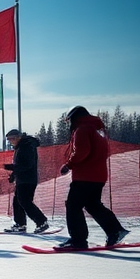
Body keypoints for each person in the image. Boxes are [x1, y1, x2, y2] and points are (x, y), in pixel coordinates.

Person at [55, 106, 129, 250]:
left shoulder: (82, 129)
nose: (69, 124)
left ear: (75, 118)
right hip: (98, 176)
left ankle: (78, 240)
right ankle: (115, 230)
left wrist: (69, 165)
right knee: (92, 205)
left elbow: (82, 151)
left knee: (73, 205)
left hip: (85, 177)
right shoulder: (96, 131)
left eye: (69, 120)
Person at [2, 129, 50, 234]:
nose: (10, 142)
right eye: (8, 140)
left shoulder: (27, 146)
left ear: (18, 137)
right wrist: (13, 175)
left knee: (25, 201)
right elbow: (20, 164)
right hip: (22, 179)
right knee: (18, 201)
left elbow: (27, 164)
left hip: (28, 179)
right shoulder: (20, 147)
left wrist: (12, 168)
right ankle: (20, 224)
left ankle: (41, 221)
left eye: (11, 139)